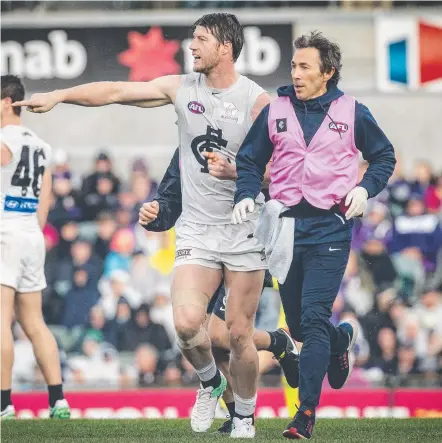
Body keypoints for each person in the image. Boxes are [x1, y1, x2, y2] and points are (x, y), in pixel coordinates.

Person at [15, 13, 270, 437]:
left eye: (201, 39)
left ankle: (244, 417)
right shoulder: (182, 87)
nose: (191, 46)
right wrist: (59, 95)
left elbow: (280, 174)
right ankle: (211, 382)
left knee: (240, 336)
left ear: (225, 47)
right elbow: (115, 90)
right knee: (188, 324)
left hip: (244, 228)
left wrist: (240, 174)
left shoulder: (258, 102)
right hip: (197, 231)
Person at [231, 31, 396, 439]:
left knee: (313, 316)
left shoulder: (353, 110)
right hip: (284, 229)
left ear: (328, 72)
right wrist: (247, 193)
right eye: (293, 65)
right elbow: (249, 160)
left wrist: (364, 187)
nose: (296, 73)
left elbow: (384, 156)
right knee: (303, 329)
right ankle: (341, 342)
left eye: (305, 66)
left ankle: (304, 413)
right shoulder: (276, 109)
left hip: (330, 226)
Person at [139, 147, 300, 433]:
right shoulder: (190, 139)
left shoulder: (252, 133)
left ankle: (274, 349)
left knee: (222, 336)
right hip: (201, 249)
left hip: (242, 247)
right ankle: (236, 404)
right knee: (198, 335)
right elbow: (170, 196)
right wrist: (157, 214)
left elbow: (283, 178)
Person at [0, 75, 70, 419]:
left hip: (5, 234)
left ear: (6, 101)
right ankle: (58, 400)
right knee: (34, 323)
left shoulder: (3, 140)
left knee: (1, 321)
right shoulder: (41, 145)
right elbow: (46, 197)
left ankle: (4, 403)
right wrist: (34, 231)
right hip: (31, 234)